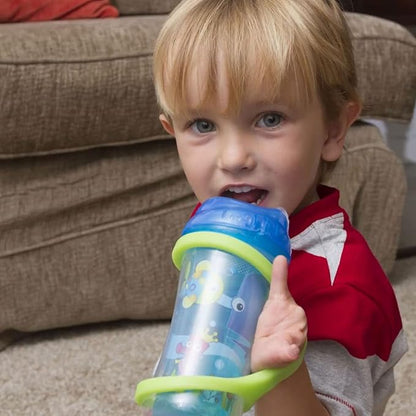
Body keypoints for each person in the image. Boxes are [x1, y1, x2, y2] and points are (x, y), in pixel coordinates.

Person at [152, 0, 408, 414]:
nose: (234, 157)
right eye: (202, 125)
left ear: (333, 129)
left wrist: (280, 372)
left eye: (269, 119)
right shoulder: (222, 230)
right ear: (172, 132)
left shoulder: (340, 281)